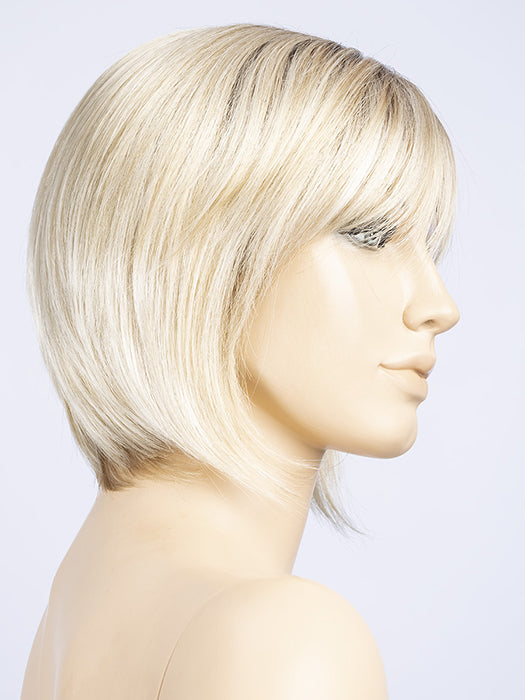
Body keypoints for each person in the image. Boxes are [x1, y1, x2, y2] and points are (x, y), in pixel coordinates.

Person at [21, 23, 460, 699]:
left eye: (428, 243)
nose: (437, 305)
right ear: (196, 252)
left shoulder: (75, 607)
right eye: (368, 234)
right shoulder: (285, 641)